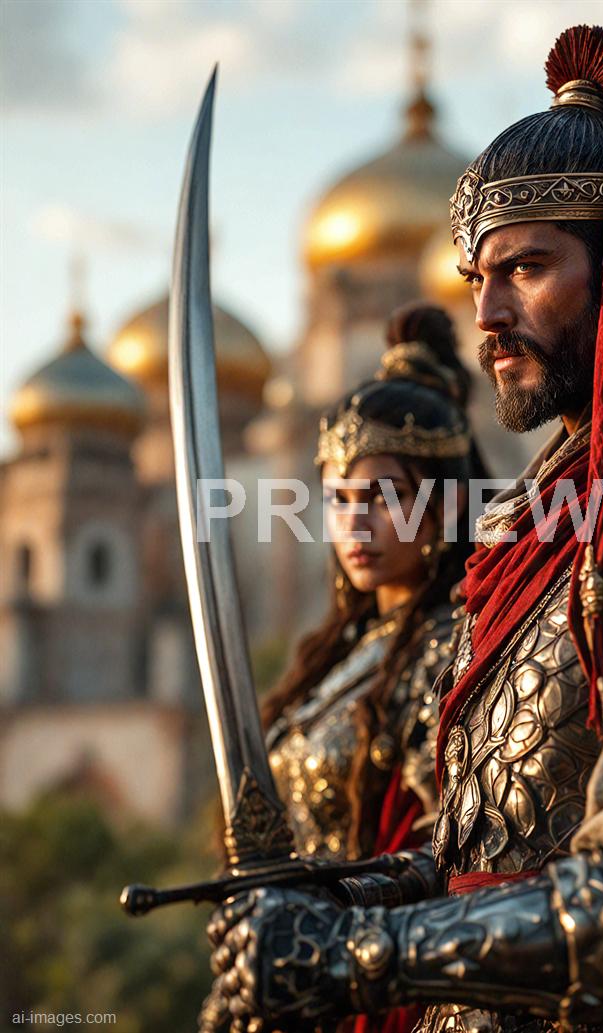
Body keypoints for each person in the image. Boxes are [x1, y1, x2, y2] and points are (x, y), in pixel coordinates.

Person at [204, 26, 603, 1033]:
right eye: (475, 279)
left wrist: (365, 952)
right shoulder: (557, 508)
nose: (484, 312)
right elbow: (503, 835)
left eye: (524, 269)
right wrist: (348, 894)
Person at [199, 301, 488, 1032]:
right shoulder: (339, 656)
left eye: (387, 497)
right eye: (339, 498)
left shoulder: (464, 645)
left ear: (447, 504)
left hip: (381, 988)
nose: (356, 524)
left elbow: (461, 855)